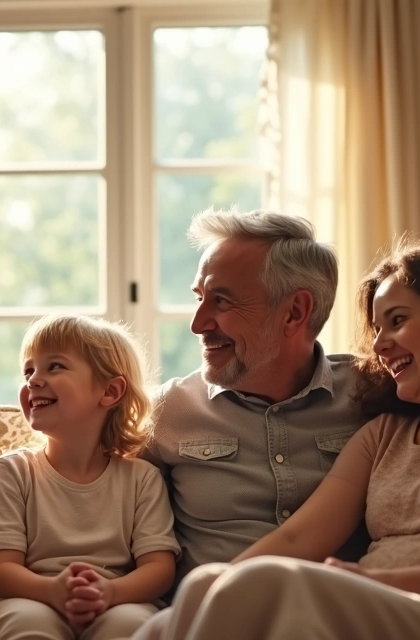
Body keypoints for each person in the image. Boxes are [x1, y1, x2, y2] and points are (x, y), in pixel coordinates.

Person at [133, 238, 420, 640]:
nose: (378, 345)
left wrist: (379, 578)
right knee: (203, 586)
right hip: (388, 610)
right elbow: (298, 536)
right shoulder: (385, 432)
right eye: (377, 328)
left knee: (253, 587)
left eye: (397, 321)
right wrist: (205, 597)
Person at [144, 208, 366, 589]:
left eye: (222, 301)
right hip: (212, 619)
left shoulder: (373, 395)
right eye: (199, 297)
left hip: (334, 615)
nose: (198, 324)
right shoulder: (169, 409)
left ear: (295, 312)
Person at [0, 314, 180, 640]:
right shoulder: (12, 471)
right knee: (26, 624)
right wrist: (53, 591)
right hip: (27, 597)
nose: (33, 380)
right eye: (29, 370)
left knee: (132, 625)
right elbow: (1, 570)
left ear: (110, 391)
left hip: (116, 598)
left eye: (54, 366)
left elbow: (159, 569)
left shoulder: (142, 479)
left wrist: (109, 594)